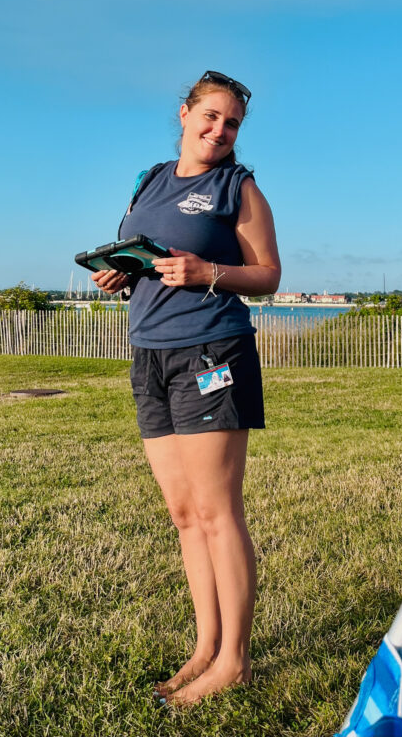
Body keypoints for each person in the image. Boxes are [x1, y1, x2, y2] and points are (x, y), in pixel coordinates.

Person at [92, 70, 280, 705]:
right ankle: (206, 645)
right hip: (149, 355)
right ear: (184, 114)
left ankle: (235, 659)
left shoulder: (239, 187)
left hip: (211, 351)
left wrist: (209, 271)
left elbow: (268, 276)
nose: (220, 131)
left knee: (218, 511)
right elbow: (146, 253)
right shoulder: (150, 177)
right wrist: (123, 272)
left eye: (231, 124)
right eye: (211, 117)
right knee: (183, 515)